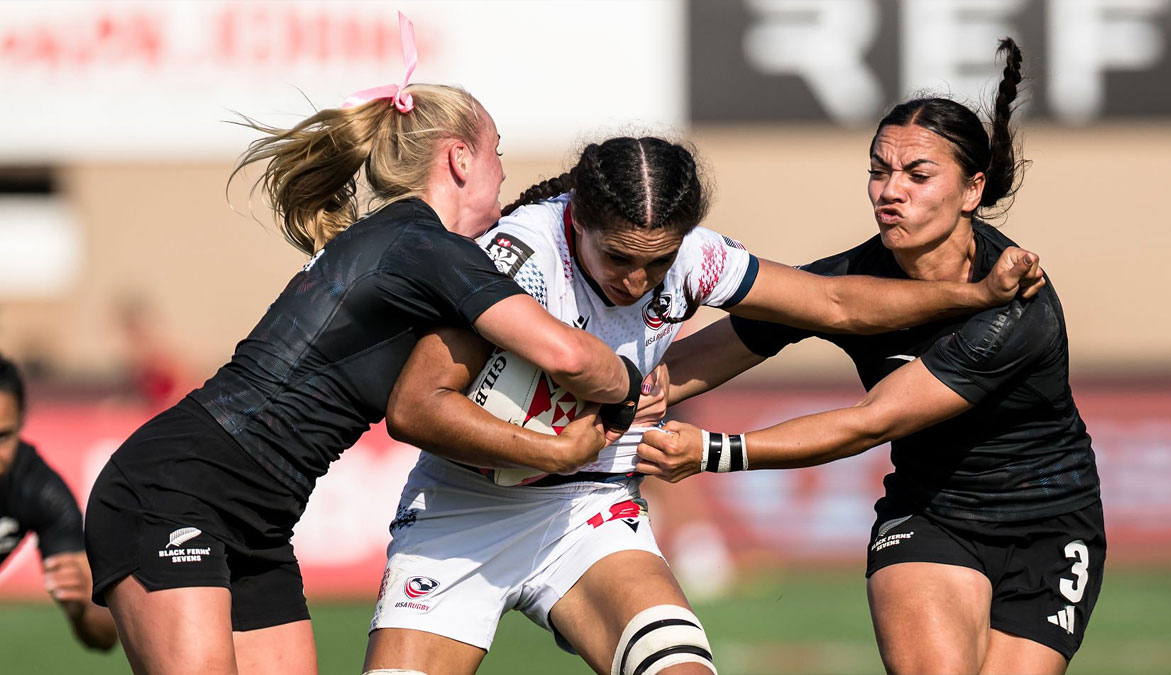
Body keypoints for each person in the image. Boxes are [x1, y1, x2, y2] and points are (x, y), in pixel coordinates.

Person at [83, 14, 643, 675]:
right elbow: (570, 355)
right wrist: (636, 381)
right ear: (459, 158)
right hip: (179, 489)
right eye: (496, 150)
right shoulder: (427, 245)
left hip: (258, 523)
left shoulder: (410, 240)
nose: (502, 169)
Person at [363, 133, 1044, 675]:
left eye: (656, 264)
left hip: (586, 511)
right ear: (579, 221)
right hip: (461, 515)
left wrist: (972, 295)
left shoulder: (693, 255)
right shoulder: (520, 258)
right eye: (620, 258)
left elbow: (833, 301)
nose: (638, 280)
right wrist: (552, 448)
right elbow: (417, 408)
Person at [639, 39, 1103, 674]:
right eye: (878, 171)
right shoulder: (851, 280)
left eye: (917, 175)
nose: (890, 191)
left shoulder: (1015, 308)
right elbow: (735, 340)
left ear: (972, 189)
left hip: (1052, 524)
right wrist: (626, 386)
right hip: (930, 516)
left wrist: (713, 452)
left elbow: (870, 421)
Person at [0, 355, 117, 652]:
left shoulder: (41, 491)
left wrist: (81, 608)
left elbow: (104, 637)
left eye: (2, 437)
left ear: (22, 422)